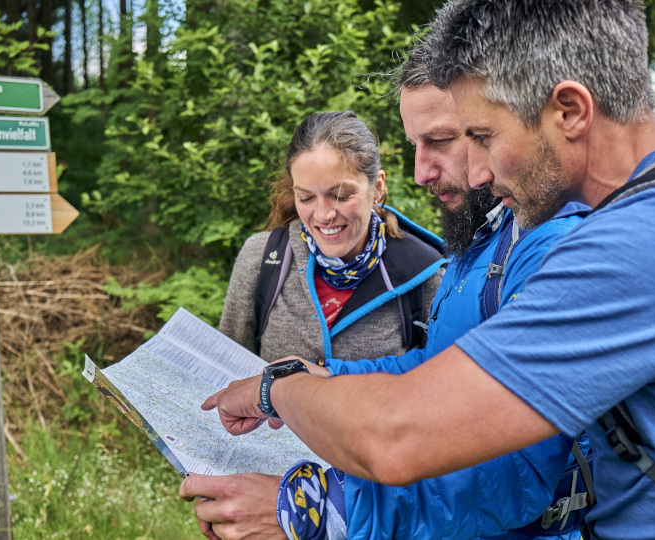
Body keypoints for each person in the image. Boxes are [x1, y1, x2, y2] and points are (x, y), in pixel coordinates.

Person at [196, 1, 655, 539]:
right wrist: (322, 381)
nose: (478, 172)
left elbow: (397, 436)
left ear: (570, 111)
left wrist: (278, 395)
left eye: (483, 135)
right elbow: (445, 378)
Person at [181, 40, 590, 540]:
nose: (420, 172)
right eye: (415, 145)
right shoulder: (479, 241)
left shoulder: (545, 246)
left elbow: (518, 470)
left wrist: (310, 509)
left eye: (441, 140)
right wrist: (322, 380)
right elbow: (436, 377)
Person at [218, 110, 444, 364]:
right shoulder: (262, 259)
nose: (324, 215)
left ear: (377, 188)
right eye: (306, 197)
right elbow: (227, 371)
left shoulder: (426, 275)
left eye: (341, 195)